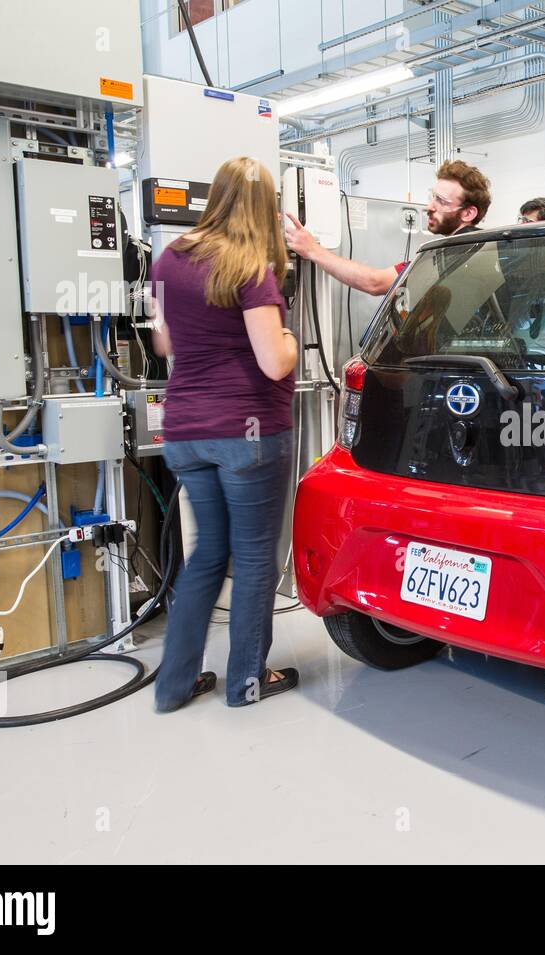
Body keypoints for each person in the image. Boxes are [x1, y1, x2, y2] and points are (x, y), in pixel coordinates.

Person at [149, 156, 299, 712]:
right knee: (256, 555)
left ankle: (173, 685)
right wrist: (285, 331)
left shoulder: (168, 259)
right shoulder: (248, 268)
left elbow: (163, 344)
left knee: (207, 552)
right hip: (247, 432)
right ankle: (246, 681)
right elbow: (275, 363)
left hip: (186, 430)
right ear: (265, 205)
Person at [285, 159, 492, 295]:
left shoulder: (450, 255)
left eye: (441, 201)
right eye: (432, 197)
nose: (430, 207)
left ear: (468, 213)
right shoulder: (485, 251)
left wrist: (313, 250)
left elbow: (375, 282)